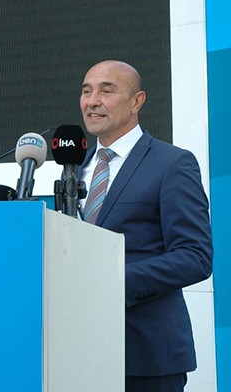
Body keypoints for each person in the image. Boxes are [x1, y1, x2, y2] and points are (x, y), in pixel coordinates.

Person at [78, 60, 213, 392]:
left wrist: (113, 282)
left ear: (137, 101)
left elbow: (194, 256)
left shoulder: (172, 163)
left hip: (146, 355)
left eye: (106, 91)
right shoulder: (75, 170)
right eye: (86, 91)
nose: (92, 101)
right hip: (78, 353)